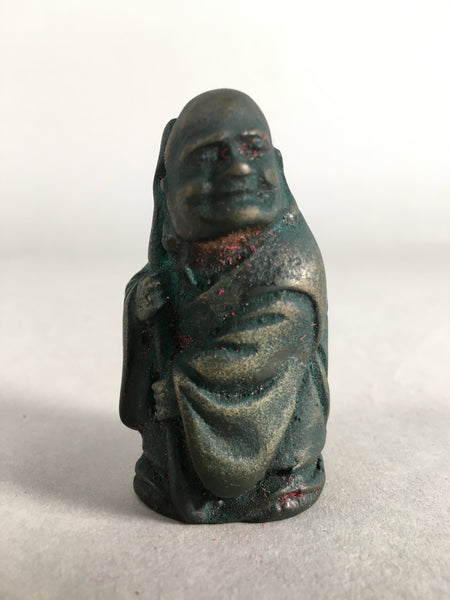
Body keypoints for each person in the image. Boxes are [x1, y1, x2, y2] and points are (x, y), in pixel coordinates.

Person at [120, 89, 329, 523]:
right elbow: (154, 292)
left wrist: (184, 391)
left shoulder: (290, 266)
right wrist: (141, 304)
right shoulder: (178, 249)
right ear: (169, 187)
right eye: (209, 157)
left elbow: (252, 359)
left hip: (273, 465)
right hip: (171, 456)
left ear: (278, 164)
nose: (238, 167)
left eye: (253, 150)